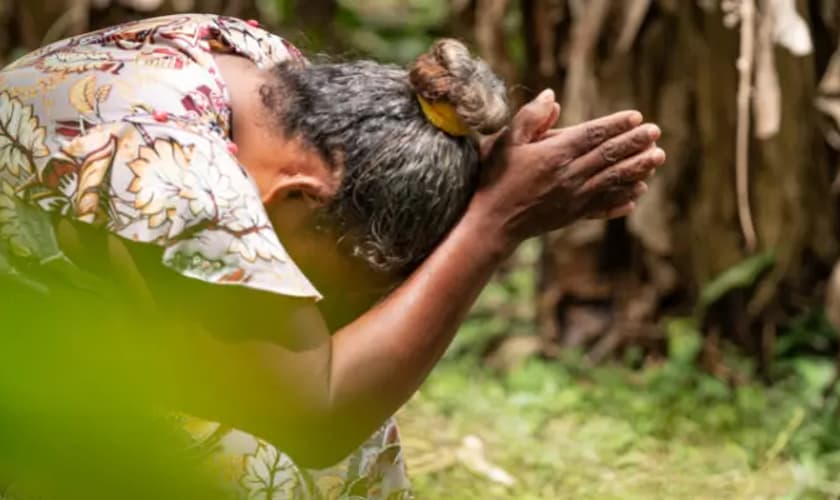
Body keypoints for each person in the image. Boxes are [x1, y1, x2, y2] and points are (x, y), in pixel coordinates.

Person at [0, 13, 665, 499]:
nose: (318, 309)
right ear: (300, 199)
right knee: (250, 470)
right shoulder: (187, 177)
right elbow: (314, 421)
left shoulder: (267, 78)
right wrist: (493, 225)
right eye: (337, 283)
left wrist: (473, 186)